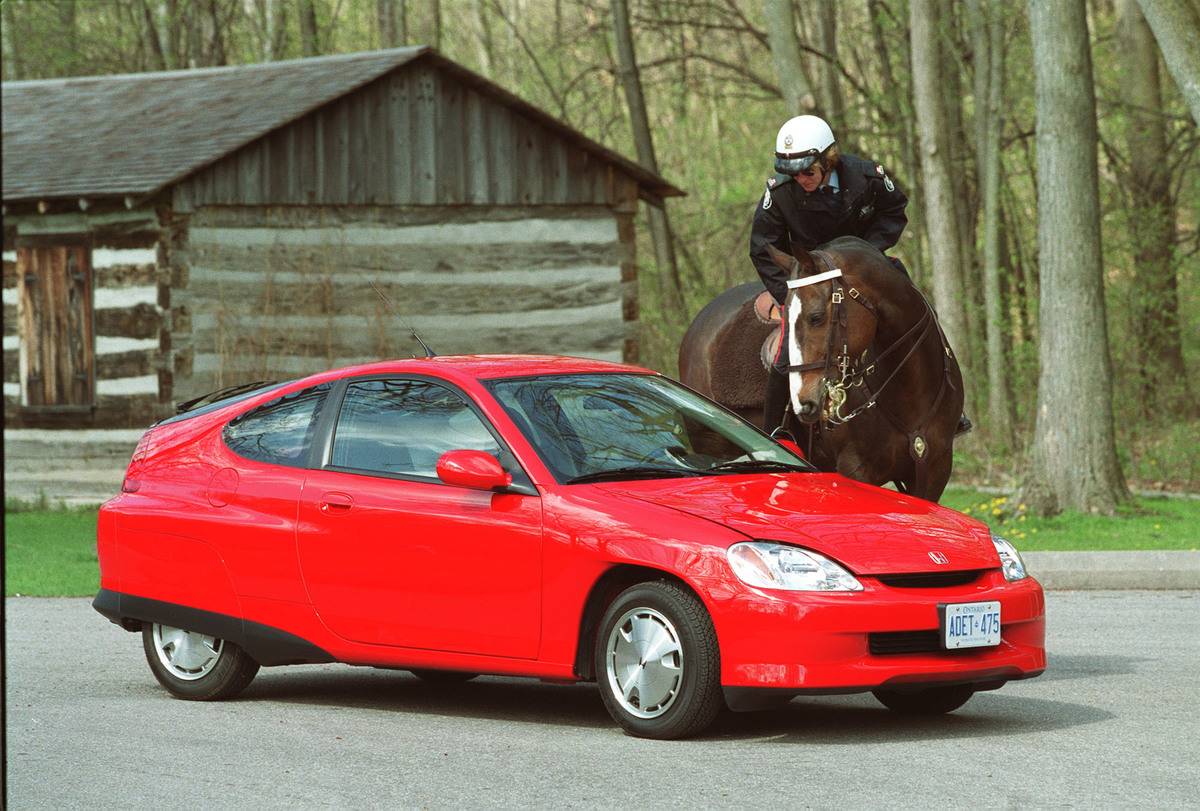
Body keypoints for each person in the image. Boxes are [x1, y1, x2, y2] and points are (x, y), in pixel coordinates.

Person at [748, 114, 971, 436]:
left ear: (828, 160)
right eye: (793, 175)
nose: (801, 181)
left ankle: (951, 410)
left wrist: (869, 255)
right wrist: (793, 297)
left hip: (869, 272)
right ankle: (773, 434)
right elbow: (761, 247)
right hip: (811, 283)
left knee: (925, 318)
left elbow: (895, 211)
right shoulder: (780, 192)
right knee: (786, 357)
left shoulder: (868, 177)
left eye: (807, 172)